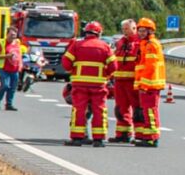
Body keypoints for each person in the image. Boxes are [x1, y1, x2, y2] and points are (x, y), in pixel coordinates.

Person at [65, 20, 114, 146]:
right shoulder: (105, 46)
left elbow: (66, 63)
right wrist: (106, 75)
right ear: (99, 33)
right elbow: (114, 66)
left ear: (85, 32)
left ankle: (77, 138)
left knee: (79, 110)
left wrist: (73, 70)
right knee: (99, 110)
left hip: (80, 84)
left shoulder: (77, 45)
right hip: (98, 85)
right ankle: (99, 139)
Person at [107, 21, 142, 150]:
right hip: (119, 81)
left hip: (133, 81)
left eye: (127, 28)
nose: (124, 31)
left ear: (134, 28)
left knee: (138, 110)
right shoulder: (120, 43)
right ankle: (123, 134)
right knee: (120, 109)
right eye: (123, 29)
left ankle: (140, 135)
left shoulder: (139, 43)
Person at [131, 19, 165, 146]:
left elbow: (151, 67)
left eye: (143, 31)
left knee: (150, 111)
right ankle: (147, 137)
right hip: (147, 84)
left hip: (150, 85)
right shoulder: (145, 44)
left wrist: (144, 85)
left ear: (150, 31)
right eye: (139, 31)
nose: (140, 33)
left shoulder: (151, 45)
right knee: (147, 111)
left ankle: (152, 138)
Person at [0, 24, 25, 109]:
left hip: (14, 69)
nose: (13, 37)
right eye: (11, 35)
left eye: (14, 35)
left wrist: (20, 64)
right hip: (3, 68)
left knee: (13, 87)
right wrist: (7, 56)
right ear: (7, 34)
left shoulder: (17, 42)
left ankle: (9, 104)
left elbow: (19, 55)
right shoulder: (1, 43)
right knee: (5, 85)